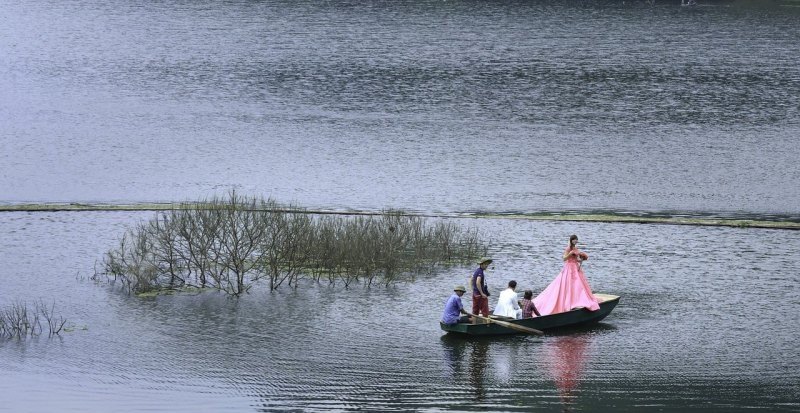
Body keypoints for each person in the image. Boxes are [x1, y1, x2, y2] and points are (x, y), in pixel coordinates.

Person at [533, 235, 600, 315]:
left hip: (575, 267)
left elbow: (576, 259)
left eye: (576, 240)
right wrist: (570, 254)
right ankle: (569, 301)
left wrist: (582, 259)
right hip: (569, 268)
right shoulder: (568, 248)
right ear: (571, 240)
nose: (575, 241)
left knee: (578, 285)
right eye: (574, 240)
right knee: (569, 283)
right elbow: (564, 258)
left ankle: (576, 299)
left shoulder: (576, 249)